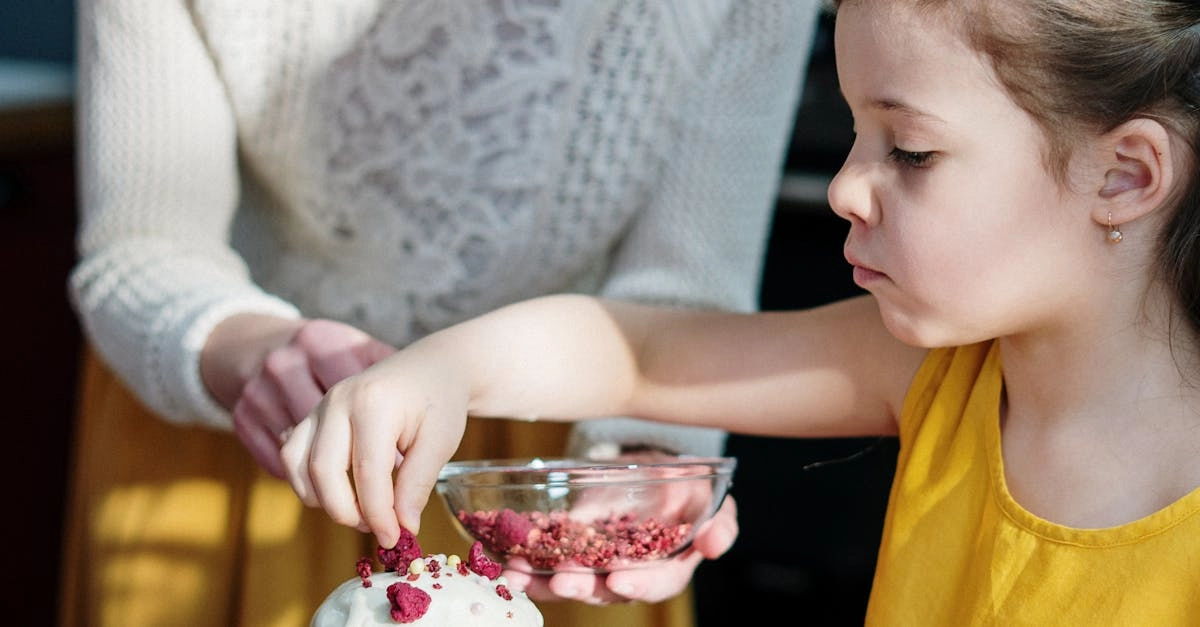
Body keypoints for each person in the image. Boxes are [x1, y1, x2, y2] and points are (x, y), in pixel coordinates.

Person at [280, 0, 1200, 623]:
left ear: (1124, 175)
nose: (845, 186)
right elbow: (637, 356)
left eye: (910, 150)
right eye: (851, 134)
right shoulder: (934, 375)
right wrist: (445, 368)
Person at [58, 1, 822, 626]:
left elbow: (686, 289)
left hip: (544, 486)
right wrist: (252, 349)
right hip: (246, 424)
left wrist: (652, 465)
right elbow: (142, 242)